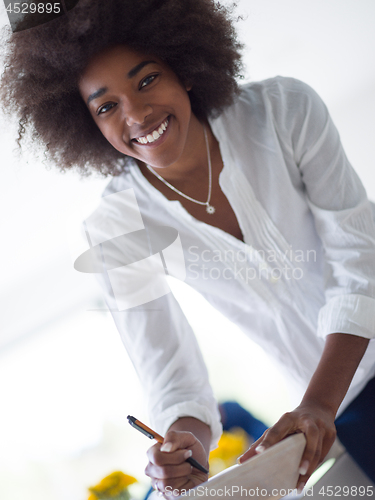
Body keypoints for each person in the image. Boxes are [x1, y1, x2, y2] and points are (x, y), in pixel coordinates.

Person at [1, 0, 374, 494]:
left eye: (147, 80)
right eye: (106, 106)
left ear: (185, 69)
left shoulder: (284, 111)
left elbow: (360, 258)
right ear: (86, 125)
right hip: (341, 417)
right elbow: (171, 374)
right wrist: (183, 442)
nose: (136, 113)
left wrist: (318, 404)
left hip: (326, 407)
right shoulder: (116, 227)